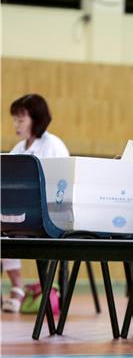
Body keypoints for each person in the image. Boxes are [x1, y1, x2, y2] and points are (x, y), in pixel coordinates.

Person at [3, 94, 69, 313]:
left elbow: (62, 188)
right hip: (18, 214)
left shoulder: (54, 145)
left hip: (48, 215)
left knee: (4, 224)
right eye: (15, 120)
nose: (16, 125)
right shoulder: (19, 148)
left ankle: (17, 287)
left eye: (21, 120)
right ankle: (16, 286)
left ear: (36, 119)